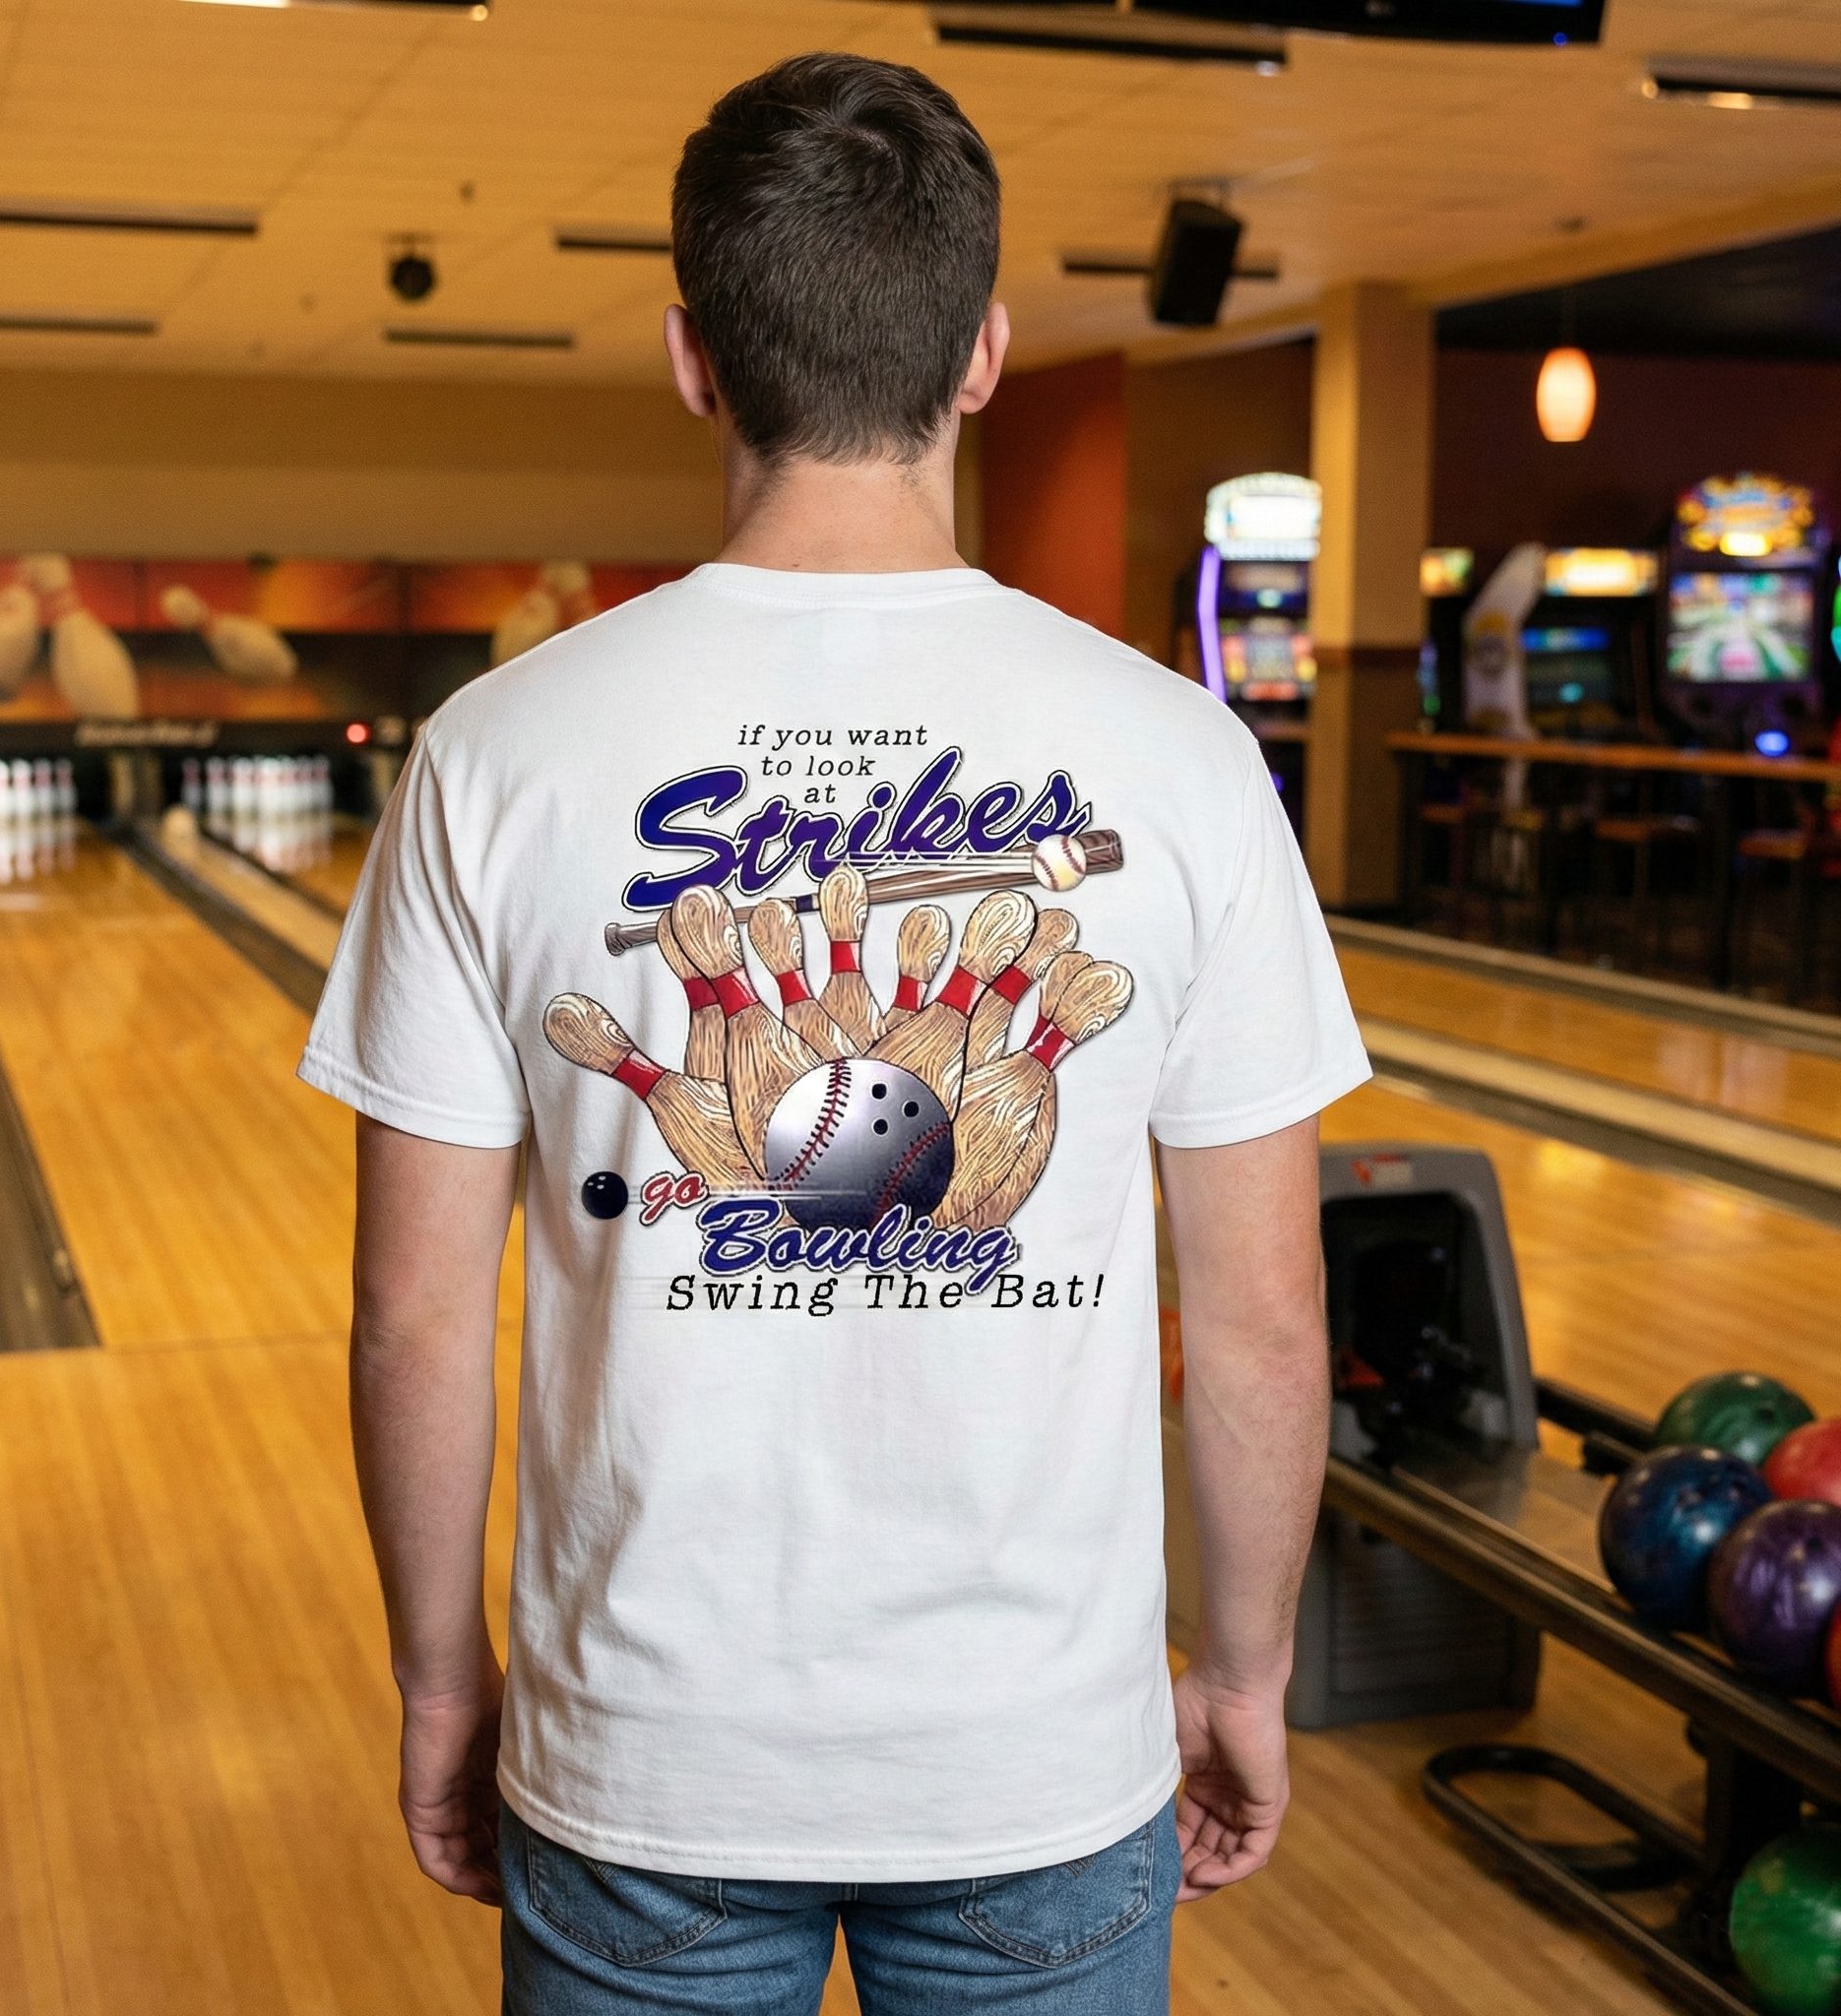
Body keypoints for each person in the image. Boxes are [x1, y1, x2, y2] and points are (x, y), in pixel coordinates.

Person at [300, 50, 1366, 2015]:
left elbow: (418, 1318)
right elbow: (1264, 1312)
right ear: (982, 354)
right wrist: (1244, 1670)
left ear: (693, 357)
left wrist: (446, 1684)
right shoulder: (1185, 753)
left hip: (638, 1769)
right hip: (1040, 1760)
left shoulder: (493, 754)